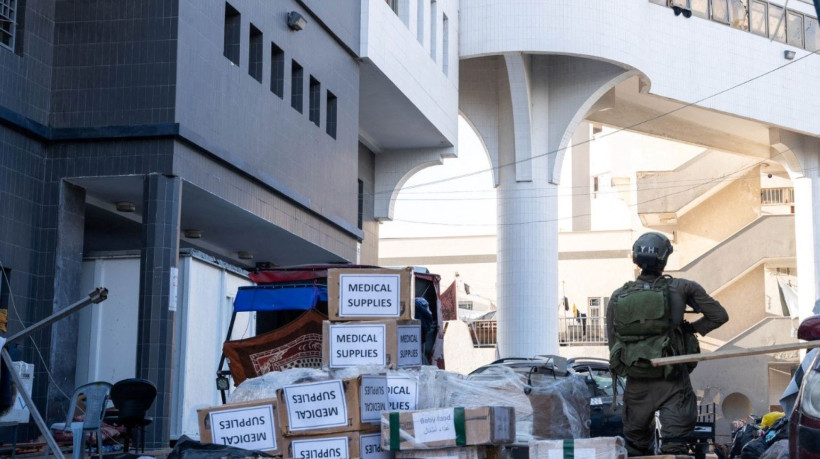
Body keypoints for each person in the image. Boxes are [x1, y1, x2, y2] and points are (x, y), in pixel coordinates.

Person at [606, 232, 729, 456]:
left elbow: (613, 344)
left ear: (635, 258)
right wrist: (690, 329)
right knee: (675, 447)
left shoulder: (617, 296)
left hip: (637, 383)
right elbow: (719, 316)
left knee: (637, 448)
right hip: (673, 380)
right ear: (664, 259)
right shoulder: (683, 288)